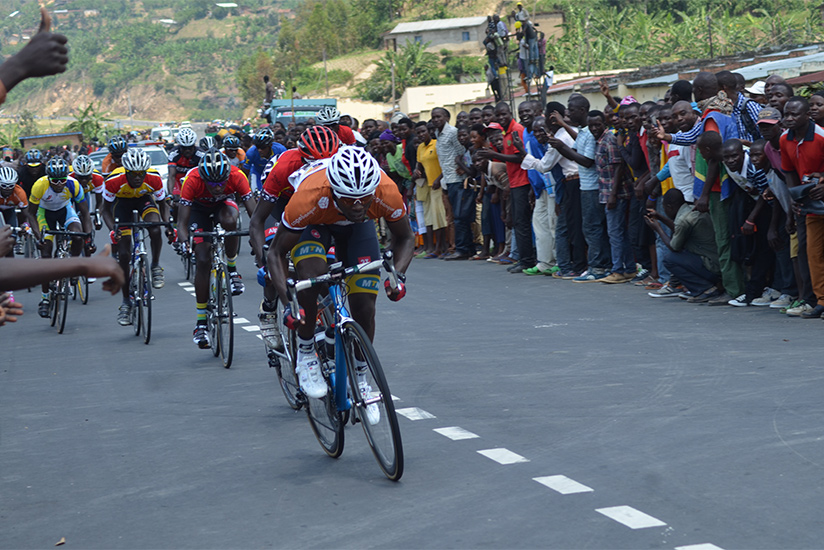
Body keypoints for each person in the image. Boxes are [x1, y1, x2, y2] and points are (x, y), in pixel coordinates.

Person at [267, 147, 414, 407]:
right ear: (334, 190)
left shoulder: (385, 192)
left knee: (365, 307)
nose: (357, 205)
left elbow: (405, 238)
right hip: (315, 225)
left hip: (359, 232)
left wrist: (397, 276)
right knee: (311, 277)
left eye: (363, 198)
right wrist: (288, 301)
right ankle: (306, 351)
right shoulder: (309, 196)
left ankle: (360, 375)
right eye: (348, 199)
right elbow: (276, 253)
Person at [249, 126, 340, 350]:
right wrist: (264, 261)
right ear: (303, 156)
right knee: (274, 257)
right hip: (281, 207)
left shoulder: (338, 165)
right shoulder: (284, 169)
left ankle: (330, 318)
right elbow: (257, 221)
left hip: (315, 208)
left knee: (323, 267)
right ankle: (269, 309)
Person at [177, 151, 257, 348]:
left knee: (231, 222)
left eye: (221, 182)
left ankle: (231, 270)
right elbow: (181, 222)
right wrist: (184, 241)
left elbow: (255, 216)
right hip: (198, 210)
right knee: (203, 259)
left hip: (224, 205)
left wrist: (258, 239)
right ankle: (201, 323)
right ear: (203, 178)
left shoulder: (238, 176)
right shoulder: (192, 179)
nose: (217, 187)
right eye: (212, 184)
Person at [101, 148, 172, 325]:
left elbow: (163, 205)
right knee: (124, 255)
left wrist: (168, 224)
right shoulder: (114, 181)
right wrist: (113, 230)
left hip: (144, 200)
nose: (138, 177)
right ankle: (125, 302)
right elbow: (105, 210)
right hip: (121, 205)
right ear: (126, 171)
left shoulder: (153, 178)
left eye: (141, 173)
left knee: (155, 228)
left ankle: (155, 266)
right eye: (133, 174)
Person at [28, 158, 93, 317]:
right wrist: (39, 238)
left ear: (67, 178)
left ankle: (74, 266)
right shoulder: (39, 185)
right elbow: (30, 214)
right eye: (54, 181)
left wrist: (88, 238)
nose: (58, 184)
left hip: (65, 211)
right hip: (44, 214)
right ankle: (44, 299)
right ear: (48, 178)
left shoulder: (74, 184)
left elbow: (85, 214)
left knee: (78, 237)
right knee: (46, 254)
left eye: (62, 180)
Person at [476, 102, 535, 272]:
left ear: (510, 113)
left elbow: (521, 157)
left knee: (521, 222)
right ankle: (522, 258)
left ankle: (527, 260)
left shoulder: (516, 130)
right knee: (517, 221)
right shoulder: (505, 133)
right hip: (514, 181)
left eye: (504, 114)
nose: (501, 118)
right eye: (498, 115)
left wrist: (494, 155)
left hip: (522, 181)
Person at [779, 96, 824, 319]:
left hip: (821, 195)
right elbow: (788, 171)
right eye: (786, 114)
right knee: (810, 253)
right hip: (807, 204)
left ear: (807, 116)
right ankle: (817, 300)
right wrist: (794, 197)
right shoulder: (784, 139)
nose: (788, 118)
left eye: (794, 114)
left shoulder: (821, 136)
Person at [645, 188, 722, 301]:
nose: (664, 211)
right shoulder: (689, 209)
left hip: (712, 266)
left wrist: (658, 229)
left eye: (665, 208)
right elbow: (678, 228)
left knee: (670, 259)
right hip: (714, 261)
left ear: (670, 207)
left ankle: (704, 288)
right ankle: (685, 285)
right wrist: (660, 217)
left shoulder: (683, 220)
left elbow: (673, 247)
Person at [431, 107, 473, 260]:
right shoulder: (437, 133)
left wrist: (464, 167)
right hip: (448, 179)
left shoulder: (452, 132)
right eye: (433, 117)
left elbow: (463, 150)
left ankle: (463, 249)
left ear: (447, 117)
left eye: (438, 117)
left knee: (460, 216)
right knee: (456, 215)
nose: (436, 120)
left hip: (458, 179)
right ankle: (465, 248)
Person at [413, 122, 448, 258]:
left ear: (429, 131)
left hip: (438, 184)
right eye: (419, 133)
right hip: (427, 186)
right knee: (430, 217)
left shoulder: (436, 144)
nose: (421, 135)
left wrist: (439, 179)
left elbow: (445, 163)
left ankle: (442, 247)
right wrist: (417, 172)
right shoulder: (420, 148)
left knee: (439, 216)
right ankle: (437, 248)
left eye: (423, 131)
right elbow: (420, 164)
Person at [167, 127, 205, 203]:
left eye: (190, 148)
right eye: (184, 148)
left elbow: (204, 175)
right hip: (178, 182)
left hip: (194, 181)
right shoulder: (173, 154)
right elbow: (172, 176)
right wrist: (170, 194)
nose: (187, 151)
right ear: (179, 146)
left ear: (194, 145)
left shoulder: (201, 155)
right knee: (177, 202)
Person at [0, 167, 31, 256]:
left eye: (11, 186)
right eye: (4, 185)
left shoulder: (19, 193)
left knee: (10, 238)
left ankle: (10, 260)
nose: (7, 189)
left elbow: (25, 213)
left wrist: (24, 225)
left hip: (9, 210)